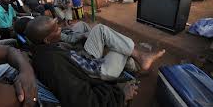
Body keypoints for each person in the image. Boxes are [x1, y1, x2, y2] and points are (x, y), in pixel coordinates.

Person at [25, 16, 165, 106]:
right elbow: (83, 100)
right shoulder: (53, 64)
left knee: (102, 32)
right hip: (100, 72)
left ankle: (137, 65)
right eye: (56, 29)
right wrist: (121, 95)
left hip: (85, 60)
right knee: (119, 48)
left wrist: (78, 43)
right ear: (47, 40)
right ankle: (138, 63)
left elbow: (72, 59)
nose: (60, 29)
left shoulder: (45, 50)